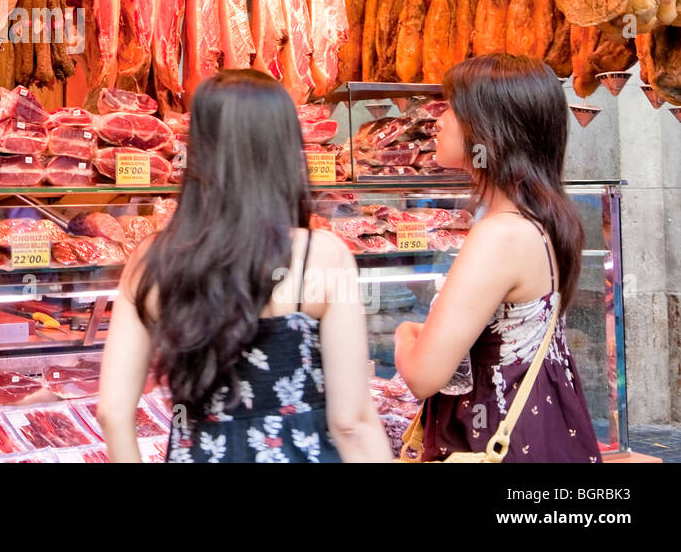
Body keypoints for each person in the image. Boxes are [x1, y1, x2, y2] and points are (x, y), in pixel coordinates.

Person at [98, 69, 391, 463]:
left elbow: (113, 413)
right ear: (286, 147)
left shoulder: (153, 258)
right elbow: (352, 423)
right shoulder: (321, 255)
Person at [393, 54, 601, 462]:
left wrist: (405, 335)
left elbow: (422, 376)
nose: (439, 120)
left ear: (488, 128)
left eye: (452, 108)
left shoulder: (500, 235)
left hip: (494, 442)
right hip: (537, 432)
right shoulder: (540, 220)